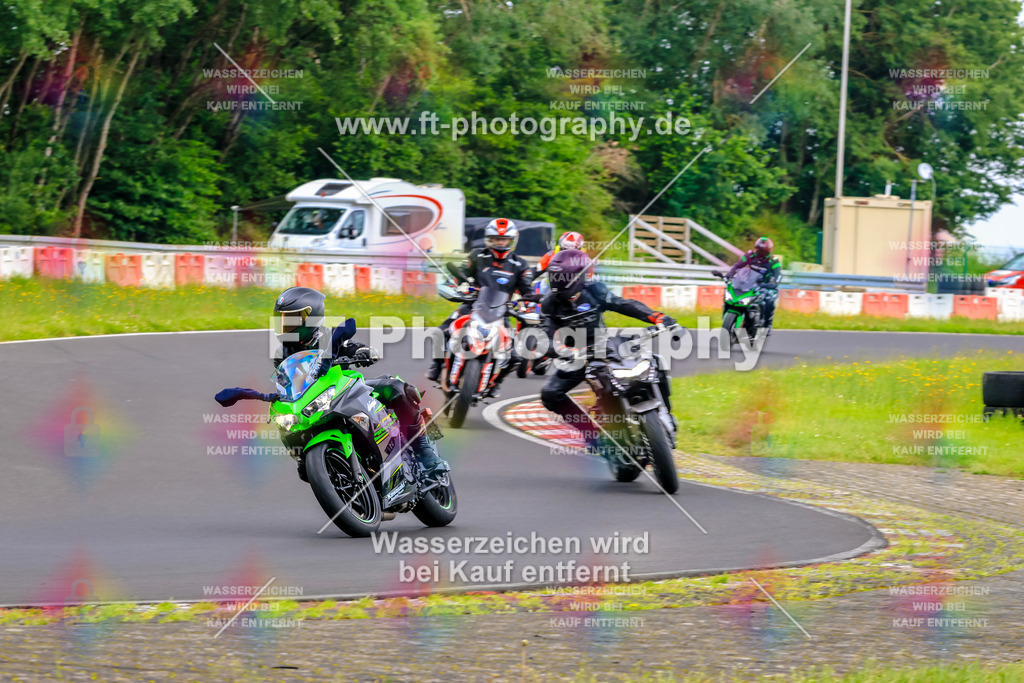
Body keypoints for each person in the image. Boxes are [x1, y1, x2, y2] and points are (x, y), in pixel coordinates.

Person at [272, 286, 448, 481]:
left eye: (291, 319)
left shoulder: (328, 336)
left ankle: (424, 452)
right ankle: (303, 457)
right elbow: (286, 380)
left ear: (312, 317)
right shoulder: (282, 353)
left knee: (396, 388)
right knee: (283, 419)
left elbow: (351, 346)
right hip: (313, 401)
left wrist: (362, 352)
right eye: (282, 319)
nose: (285, 325)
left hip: (344, 390)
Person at [538, 249, 677, 451]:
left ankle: (666, 415)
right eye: (555, 277)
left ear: (578, 276)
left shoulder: (594, 291)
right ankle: (589, 432)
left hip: (604, 347)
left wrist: (655, 317)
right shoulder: (549, 303)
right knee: (550, 394)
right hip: (575, 355)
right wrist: (563, 351)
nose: (558, 282)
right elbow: (545, 337)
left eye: (563, 277)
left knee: (652, 362)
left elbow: (623, 304)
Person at [426, 218, 536, 396]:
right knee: (441, 332)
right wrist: (452, 285)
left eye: (504, 239)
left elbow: (527, 290)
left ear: (512, 240)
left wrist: (529, 305)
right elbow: (459, 275)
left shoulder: (520, 264)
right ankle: (437, 366)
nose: (500, 242)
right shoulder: (477, 256)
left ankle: (495, 383)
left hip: (502, 311)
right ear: (489, 239)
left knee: (515, 355)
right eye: (496, 238)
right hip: (473, 305)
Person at [716, 236, 781, 332]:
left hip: (764, 286)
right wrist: (729, 275)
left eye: (764, 251)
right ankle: (726, 315)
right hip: (749, 284)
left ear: (769, 251)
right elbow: (737, 266)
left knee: (769, 300)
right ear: (756, 249)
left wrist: (774, 283)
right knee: (729, 293)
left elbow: (778, 275)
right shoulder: (750, 255)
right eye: (760, 251)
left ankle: (767, 324)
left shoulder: (773, 260)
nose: (762, 253)